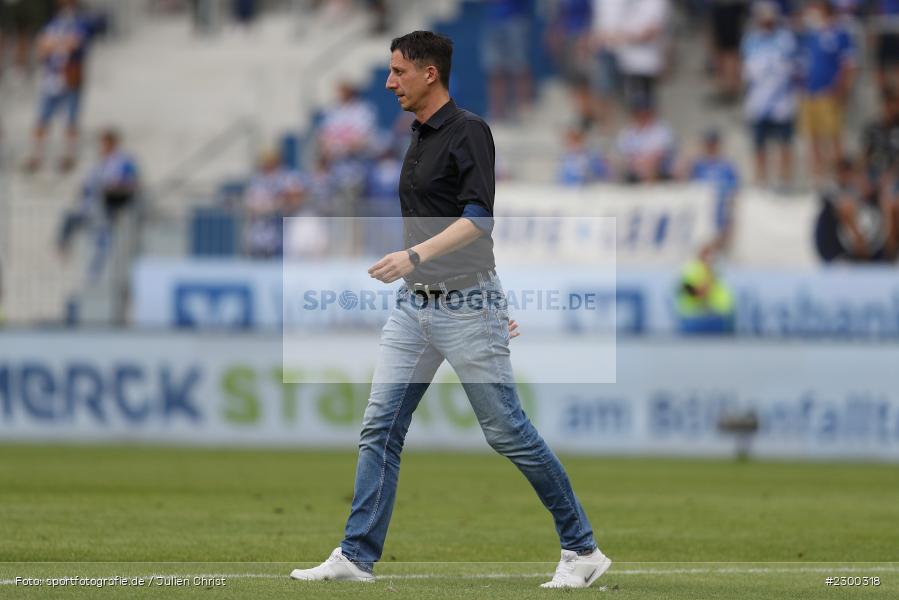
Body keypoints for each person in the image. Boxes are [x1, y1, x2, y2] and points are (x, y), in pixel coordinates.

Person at [289, 30, 611, 589]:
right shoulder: (415, 135)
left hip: (466, 305)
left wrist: (423, 261)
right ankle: (356, 555)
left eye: (398, 72)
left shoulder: (469, 131)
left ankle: (581, 548)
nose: (388, 82)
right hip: (414, 309)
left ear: (429, 72)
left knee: (506, 431)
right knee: (379, 428)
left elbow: (479, 219)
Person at [58, 128, 139, 280]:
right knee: (69, 218)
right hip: (91, 209)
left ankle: (96, 275)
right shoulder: (98, 164)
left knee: (104, 244)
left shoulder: (124, 162)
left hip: (109, 211)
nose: (102, 147)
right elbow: (87, 186)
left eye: (105, 144)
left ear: (113, 144)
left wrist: (115, 188)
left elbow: (132, 184)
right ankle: (64, 247)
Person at [24, 0, 92, 173]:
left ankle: (68, 155)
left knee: (70, 120)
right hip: (51, 80)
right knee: (42, 119)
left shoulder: (79, 22)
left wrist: (55, 44)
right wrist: (59, 44)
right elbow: (43, 46)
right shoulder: (52, 24)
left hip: (70, 79)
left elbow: (75, 43)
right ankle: (37, 155)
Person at [741, 1, 799, 188]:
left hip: (781, 101)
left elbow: (792, 68)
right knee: (759, 145)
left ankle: (785, 179)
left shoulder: (785, 38)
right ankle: (761, 179)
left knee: (784, 143)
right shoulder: (750, 40)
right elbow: (748, 71)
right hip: (759, 101)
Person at [798, 0, 857, 182]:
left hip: (829, 93)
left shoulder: (840, 34)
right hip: (810, 92)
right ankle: (818, 175)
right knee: (813, 136)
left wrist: (842, 89)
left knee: (833, 135)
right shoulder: (811, 35)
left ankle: (840, 176)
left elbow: (848, 64)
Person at [681, 130, 740, 253]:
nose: (711, 146)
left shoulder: (727, 166)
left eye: (713, 143)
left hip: (720, 209)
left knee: (718, 242)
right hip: (702, 211)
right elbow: (683, 181)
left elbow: (734, 189)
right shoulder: (697, 165)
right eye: (708, 143)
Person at [243, 148, 305, 258]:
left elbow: (297, 196)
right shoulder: (257, 178)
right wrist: (266, 206)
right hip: (259, 233)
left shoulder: (286, 176)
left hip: (281, 231)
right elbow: (250, 202)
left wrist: (280, 203)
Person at [481, 0, 533, 121]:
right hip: (493, 21)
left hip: (516, 20)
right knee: (494, 70)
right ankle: (498, 114)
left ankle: (523, 111)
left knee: (519, 67)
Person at [615, 95, 675, 183]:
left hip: (658, 167)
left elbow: (663, 153)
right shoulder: (627, 132)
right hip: (634, 168)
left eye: (646, 112)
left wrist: (647, 161)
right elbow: (623, 153)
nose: (643, 115)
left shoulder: (662, 129)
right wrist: (637, 162)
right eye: (639, 112)